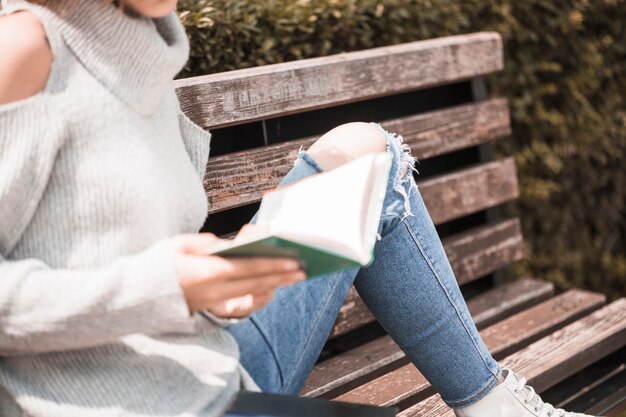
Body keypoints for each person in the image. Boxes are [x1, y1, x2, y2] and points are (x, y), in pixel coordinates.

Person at [0, 1, 597, 417]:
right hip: (116, 399)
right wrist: (169, 284)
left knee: (367, 154)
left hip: (209, 365)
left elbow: (119, 238)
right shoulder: (25, 49)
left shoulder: (144, 42)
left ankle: (491, 403)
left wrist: (237, 254)